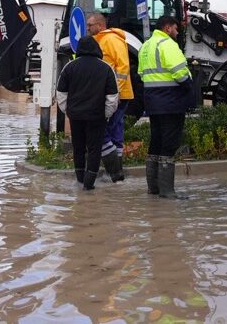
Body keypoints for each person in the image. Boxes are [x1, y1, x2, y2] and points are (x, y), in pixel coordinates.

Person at [138, 15, 196, 199]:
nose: (177, 32)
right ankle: (167, 191)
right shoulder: (168, 44)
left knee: (155, 141)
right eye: (176, 28)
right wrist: (189, 85)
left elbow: (141, 73)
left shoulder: (145, 46)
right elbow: (180, 73)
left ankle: (153, 188)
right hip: (171, 102)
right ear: (168, 27)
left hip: (153, 102)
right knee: (169, 144)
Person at [56, 35, 120, 190]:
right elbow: (112, 97)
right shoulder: (106, 68)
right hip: (96, 117)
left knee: (78, 147)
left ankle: (79, 180)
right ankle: (89, 184)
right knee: (94, 149)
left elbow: (61, 93)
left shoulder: (69, 67)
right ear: (97, 49)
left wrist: (69, 111)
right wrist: (105, 114)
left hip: (75, 116)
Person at [86, 12, 133, 182]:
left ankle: (114, 171)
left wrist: (117, 92)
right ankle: (115, 173)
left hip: (116, 96)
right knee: (113, 130)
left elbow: (123, 67)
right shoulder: (99, 40)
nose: (87, 28)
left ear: (100, 25)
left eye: (90, 25)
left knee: (105, 130)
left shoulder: (112, 40)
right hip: (110, 95)